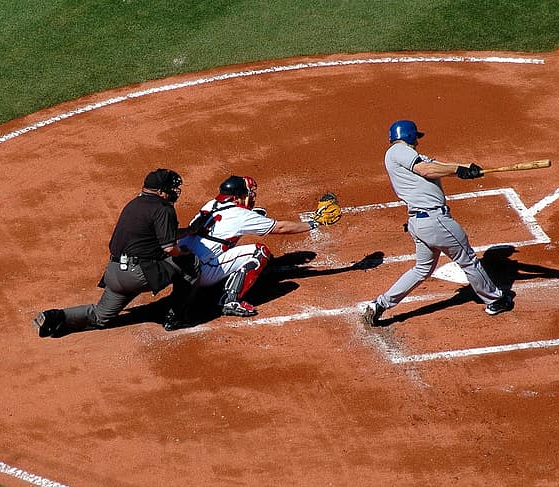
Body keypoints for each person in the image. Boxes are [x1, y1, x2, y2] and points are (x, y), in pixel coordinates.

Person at [362, 120, 514, 326]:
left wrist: (463, 169)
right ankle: (495, 299)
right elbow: (427, 170)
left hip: (420, 222)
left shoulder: (406, 157)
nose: (417, 141)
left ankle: (379, 304)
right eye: (415, 137)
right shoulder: (399, 151)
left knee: (422, 269)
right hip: (435, 221)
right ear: (407, 136)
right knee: (468, 259)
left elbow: (435, 167)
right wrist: (458, 169)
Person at [34, 168, 198, 338]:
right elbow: (169, 247)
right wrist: (182, 253)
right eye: (171, 188)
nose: (174, 191)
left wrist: (189, 231)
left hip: (115, 273)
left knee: (100, 316)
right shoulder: (163, 209)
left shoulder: (134, 204)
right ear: (161, 191)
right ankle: (176, 316)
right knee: (191, 263)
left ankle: (56, 316)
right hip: (139, 275)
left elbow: (158, 235)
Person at [165, 175, 324, 330]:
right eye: (246, 194)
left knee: (222, 245)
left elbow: (228, 220)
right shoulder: (242, 216)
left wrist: (252, 216)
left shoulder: (211, 204)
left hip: (178, 262)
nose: (250, 197)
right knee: (259, 252)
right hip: (201, 272)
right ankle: (229, 300)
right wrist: (314, 222)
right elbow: (281, 227)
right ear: (237, 197)